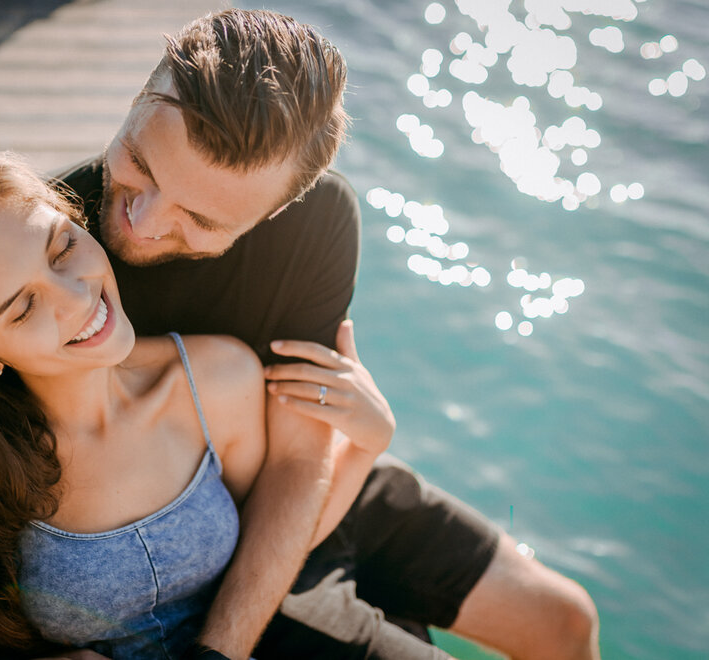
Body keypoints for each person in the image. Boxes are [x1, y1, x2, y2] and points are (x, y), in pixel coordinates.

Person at [52, 8, 602, 660]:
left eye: (198, 218)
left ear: (279, 209)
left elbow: (297, 456)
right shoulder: (50, 251)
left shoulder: (320, 219)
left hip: (309, 484)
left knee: (565, 622)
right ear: (140, 96)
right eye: (138, 161)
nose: (141, 221)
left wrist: (364, 444)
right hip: (201, 550)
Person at [0, 144, 390, 659]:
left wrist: (365, 449)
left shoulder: (217, 378)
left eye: (62, 246)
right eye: (24, 307)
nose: (79, 295)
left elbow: (269, 545)